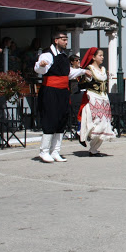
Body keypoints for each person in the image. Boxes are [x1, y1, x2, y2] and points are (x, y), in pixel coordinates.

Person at [34, 31, 91, 163]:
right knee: (50, 119)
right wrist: (41, 65)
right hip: (50, 91)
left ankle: (55, 151)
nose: (66, 41)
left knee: (61, 120)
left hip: (63, 92)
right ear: (56, 40)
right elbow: (40, 69)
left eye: (66, 39)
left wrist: (83, 71)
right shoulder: (47, 54)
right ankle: (44, 151)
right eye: (63, 39)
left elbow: (68, 73)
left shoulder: (64, 56)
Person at [78, 48, 115, 156]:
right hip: (92, 97)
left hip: (103, 98)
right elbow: (84, 82)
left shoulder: (103, 69)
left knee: (104, 123)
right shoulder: (89, 69)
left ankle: (93, 149)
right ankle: (82, 135)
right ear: (93, 57)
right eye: (100, 55)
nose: (102, 57)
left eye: (102, 55)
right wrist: (87, 78)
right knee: (92, 121)